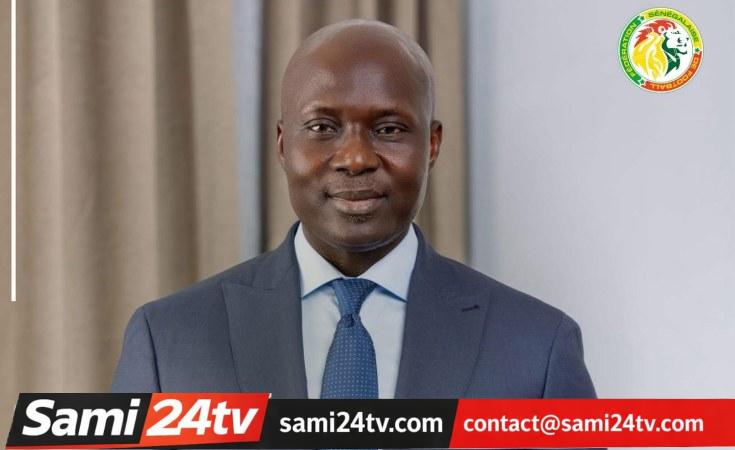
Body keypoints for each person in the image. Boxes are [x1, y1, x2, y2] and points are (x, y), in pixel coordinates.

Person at [112, 19, 596, 400]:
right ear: (282, 143)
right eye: (322, 127)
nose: (356, 158)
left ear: (431, 144)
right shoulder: (166, 341)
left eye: (389, 129)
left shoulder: (538, 349)